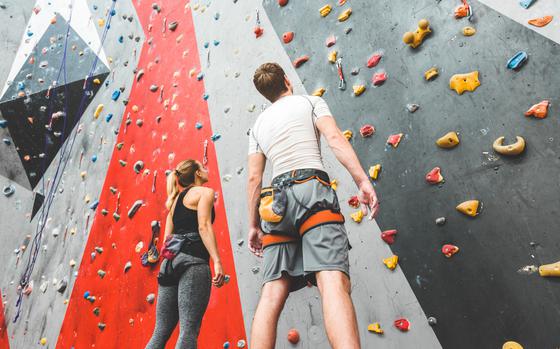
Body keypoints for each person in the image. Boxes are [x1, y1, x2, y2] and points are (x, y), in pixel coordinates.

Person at [246, 63, 379, 349]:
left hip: (274, 202)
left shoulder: (257, 126)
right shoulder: (310, 102)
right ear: (286, 80)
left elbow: (255, 178)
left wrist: (254, 225)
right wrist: (362, 181)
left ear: (266, 93)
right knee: (331, 281)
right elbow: (333, 138)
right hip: (311, 190)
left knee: (271, 293)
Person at [146, 159, 225, 349]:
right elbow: (203, 226)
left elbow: (167, 240)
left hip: (169, 265)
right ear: (197, 173)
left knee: (160, 332)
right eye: (203, 167)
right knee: (188, 330)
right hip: (193, 261)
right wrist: (217, 261)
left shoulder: (173, 203)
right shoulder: (205, 193)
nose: (206, 170)